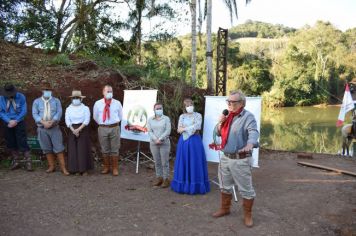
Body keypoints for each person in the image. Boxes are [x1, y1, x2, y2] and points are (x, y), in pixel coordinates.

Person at [212, 90, 259, 228]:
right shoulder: (228, 116)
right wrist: (220, 122)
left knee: (246, 189)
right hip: (225, 157)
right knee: (224, 185)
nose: (230, 104)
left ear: (242, 103)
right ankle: (225, 209)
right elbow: (217, 133)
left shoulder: (248, 117)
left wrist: (250, 144)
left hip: (240, 159)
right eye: (228, 101)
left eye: (233, 102)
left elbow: (253, 132)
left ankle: (248, 214)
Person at [170, 98, 210, 194]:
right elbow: (178, 130)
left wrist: (185, 128)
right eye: (187, 105)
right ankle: (183, 184)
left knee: (194, 161)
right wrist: (186, 128)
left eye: (191, 104)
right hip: (183, 142)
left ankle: (195, 185)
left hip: (195, 142)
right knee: (183, 161)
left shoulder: (198, 115)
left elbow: (198, 127)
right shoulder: (182, 116)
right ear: (184, 107)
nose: (189, 107)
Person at [32, 83, 69, 175]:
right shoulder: (36, 102)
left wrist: (52, 121)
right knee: (46, 148)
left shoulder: (56, 101)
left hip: (54, 127)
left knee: (59, 148)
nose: (47, 91)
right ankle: (51, 166)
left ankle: (63, 168)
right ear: (42, 91)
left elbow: (59, 112)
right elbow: (35, 113)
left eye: (48, 90)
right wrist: (43, 122)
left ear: (51, 91)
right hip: (42, 128)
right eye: (45, 90)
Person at [0, 83, 32, 171]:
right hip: (7, 122)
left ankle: (28, 161)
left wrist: (16, 120)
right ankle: (16, 161)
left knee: (22, 140)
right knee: (10, 141)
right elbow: (1, 112)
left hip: (19, 121)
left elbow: (24, 110)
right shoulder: (1, 98)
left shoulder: (21, 97)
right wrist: (8, 121)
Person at [93, 85, 123, 176]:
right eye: (107, 91)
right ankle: (106, 167)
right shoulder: (98, 103)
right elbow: (95, 117)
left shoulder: (117, 103)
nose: (109, 93)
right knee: (104, 149)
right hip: (102, 128)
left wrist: (113, 123)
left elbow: (121, 116)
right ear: (103, 92)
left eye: (111, 91)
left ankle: (115, 168)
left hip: (115, 128)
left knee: (115, 149)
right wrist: (103, 124)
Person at [65, 90, 93, 175]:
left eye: (77, 98)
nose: (76, 99)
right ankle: (75, 169)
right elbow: (67, 120)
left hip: (82, 129)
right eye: (74, 98)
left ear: (81, 99)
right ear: (71, 99)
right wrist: (73, 130)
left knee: (82, 149)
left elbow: (87, 120)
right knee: (73, 149)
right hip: (72, 129)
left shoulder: (85, 108)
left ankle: (83, 170)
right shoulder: (68, 109)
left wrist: (79, 129)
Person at [147, 102, 171, 188]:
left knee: (164, 162)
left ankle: (166, 179)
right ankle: (159, 178)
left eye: (160, 108)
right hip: (154, 143)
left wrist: (160, 139)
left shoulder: (166, 119)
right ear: (154, 110)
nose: (159, 110)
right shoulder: (150, 119)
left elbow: (168, 131)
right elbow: (149, 131)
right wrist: (155, 139)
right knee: (157, 162)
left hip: (164, 143)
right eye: (157, 108)